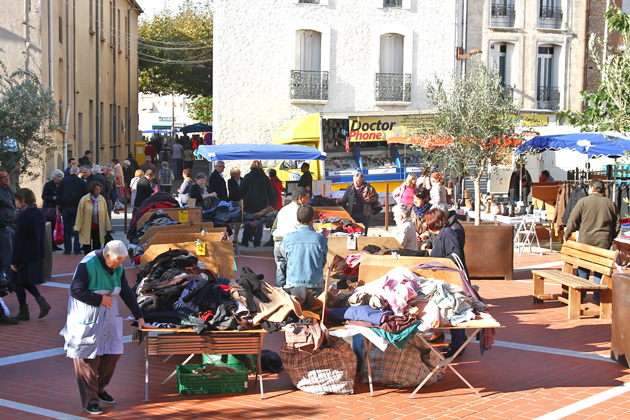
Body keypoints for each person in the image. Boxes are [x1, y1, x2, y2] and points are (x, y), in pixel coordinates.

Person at [60, 240, 153, 415]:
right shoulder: (87, 264)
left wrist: (139, 315)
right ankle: (91, 401)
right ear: (107, 255)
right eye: (118, 260)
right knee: (88, 359)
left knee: (113, 353)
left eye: (122, 261)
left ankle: (99, 388)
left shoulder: (117, 265)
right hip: (86, 314)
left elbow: (125, 290)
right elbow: (75, 290)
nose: (119, 265)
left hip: (108, 315)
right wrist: (99, 300)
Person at [421, 208, 468, 358]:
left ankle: (458, 346)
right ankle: (457, 344)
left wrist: (437, 260)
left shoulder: (448, 233)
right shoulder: (442, 234)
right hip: (449, 280)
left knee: (456, 314)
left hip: (453, 281)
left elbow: (455, 256)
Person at [564, 179, 620, 303]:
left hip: (586, 241)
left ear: (592, 188)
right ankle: (598, 297)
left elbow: (573, 220)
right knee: (600, 270)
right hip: (603, 241)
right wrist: (611, 237)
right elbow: (617, 224)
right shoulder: (610, 203)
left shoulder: (583, 201)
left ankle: (580, 296)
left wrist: (567, 234)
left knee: (583, 269)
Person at [10, 188, 51, 321]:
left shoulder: (24, 216)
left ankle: (25, 309)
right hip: (35, 252)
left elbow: (19, 240)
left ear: (23, 200)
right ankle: (40, 302)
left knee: (19, 281)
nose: (16, 202)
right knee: (24, 281)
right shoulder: (39, 213)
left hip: (24, 254)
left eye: (17, 200)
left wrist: (14, 259)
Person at [282, 206, 328, 295]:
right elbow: (323, 261)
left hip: (293, 286)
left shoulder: (288, 238)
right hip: (314, 285)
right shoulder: (321, 239)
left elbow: (286, 258)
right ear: (312, 219)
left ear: (297, 219)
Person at [270, 187, 310, 288]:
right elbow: (303, 229)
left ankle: (280, 292)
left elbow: (273, 229)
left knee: (280, 269)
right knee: (293, 270)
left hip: (277, 242)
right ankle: (292, 294)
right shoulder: (300, 211)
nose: (308, 201)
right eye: (307, 198)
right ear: (300, 198)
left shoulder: (283, 209)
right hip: (289, 243)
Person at [239, 160, 276, 247]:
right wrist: (270, 204)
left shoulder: (248, 177)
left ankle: (245, 241)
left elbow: (241, 190)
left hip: (249, 203)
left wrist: (243, 199)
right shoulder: (265, 178)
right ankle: (257, 242)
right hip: (263, 204)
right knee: (260, 224)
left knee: (249, 222)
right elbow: (271, 192)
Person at [57, 166, 88, 255]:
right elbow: (85, 194)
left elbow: (59, 194)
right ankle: (77, 249)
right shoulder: (81, 182)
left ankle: (67, 249)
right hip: (78, 207)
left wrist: (58, 206)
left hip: (66, 207)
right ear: (78, 173)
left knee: (67, 228)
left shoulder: (64, 181)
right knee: (78, 228)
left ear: (70, 171)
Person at [75, 182, 111, 255]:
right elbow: (80, 214)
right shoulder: (84, 200)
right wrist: (78, 227)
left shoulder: (102, 199)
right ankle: (87, 261)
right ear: (92, 189)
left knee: (97, 246)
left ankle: (95, 260)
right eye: (97, 189)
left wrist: (107, 227)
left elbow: (105, 214)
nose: (98, 191)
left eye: (100, 189)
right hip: (87, 226)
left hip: (98, 226)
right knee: (86, 245)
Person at [0, 168, 17, 288]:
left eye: (7, 176)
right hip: (4, 226)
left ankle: (12, 278)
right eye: (3, 177)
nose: (7, 179)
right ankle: (10, 281)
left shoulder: (9, 190)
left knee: (12, 252)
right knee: (7, 254)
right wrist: (3, 223)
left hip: (11, 224)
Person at [42, 169, 64, 251]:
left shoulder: (62, 185)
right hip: (50, 209)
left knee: (57, 227)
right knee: (50, 228)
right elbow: (44, 196)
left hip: (58, 209)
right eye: (58, 177)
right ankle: (50, 246)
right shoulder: (48, 185)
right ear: (54, 177)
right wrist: (53, 198)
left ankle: (55, 245)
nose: (59, 178)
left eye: (60, 177)